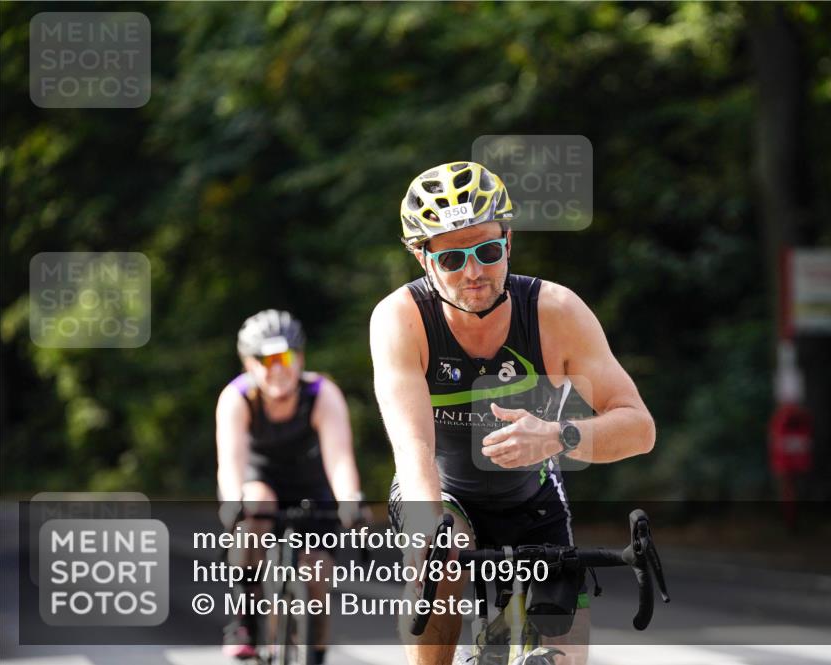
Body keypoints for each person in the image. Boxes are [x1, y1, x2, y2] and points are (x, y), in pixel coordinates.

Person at [370, 162, 656, 665]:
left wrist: (559, 435)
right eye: (451, 258)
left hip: (532, 500)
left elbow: (639, 427)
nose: (473, 272)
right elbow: (413, 448)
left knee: (563, 656)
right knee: (442, 561)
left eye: (486, 251)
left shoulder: (555, 312)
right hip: (444, 493)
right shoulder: (401, 319)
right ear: (421, 257)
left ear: (508, 240)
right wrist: (424, 533)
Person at [216, 309, 365, 663]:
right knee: (255, 504)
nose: (277, 369)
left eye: (284, 358)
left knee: (317, 581)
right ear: (248, 364)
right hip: (259, 482)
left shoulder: (321, 393)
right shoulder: (237, 397)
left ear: (300, 358)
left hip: (311, 489)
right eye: (265, 360)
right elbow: (231, 464)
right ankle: (245, 617)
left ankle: (313, 654)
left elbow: (340, 460)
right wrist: (233, 503)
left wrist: (351, 501)